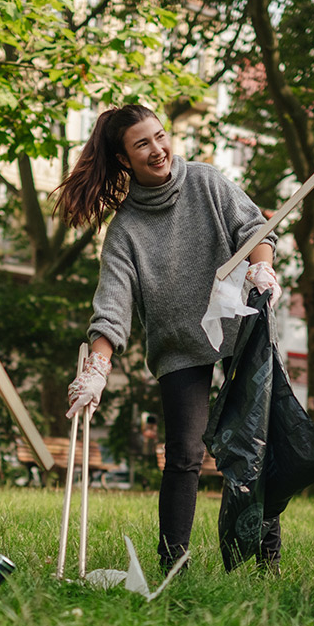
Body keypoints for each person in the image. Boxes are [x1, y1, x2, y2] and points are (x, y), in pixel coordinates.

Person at [56, 104, 282, 572]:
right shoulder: (126, 231)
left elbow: (256, 229)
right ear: (124, 159)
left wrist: (262, 267)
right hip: (179, 345)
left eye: (160, 136)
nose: (158, 149)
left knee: (254, 445)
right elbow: (112, 306)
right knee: (184, 454)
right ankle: (172, 564)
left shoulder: (206, 181)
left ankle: (265, 561)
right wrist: (96, 369)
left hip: (239, 325)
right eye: (142, 144)